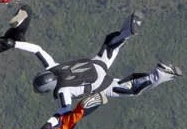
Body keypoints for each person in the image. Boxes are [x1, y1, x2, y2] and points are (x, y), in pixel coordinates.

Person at [19, 17, 175, 118]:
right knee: (110, 46)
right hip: (96, 64)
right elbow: (37, 49)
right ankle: (126, 33)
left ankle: (160, 74)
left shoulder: (62, 91)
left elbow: (65, 110)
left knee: (130, 90)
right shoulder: (54, 66)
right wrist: (14, 43)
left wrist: (50, 124)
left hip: (101, 84)